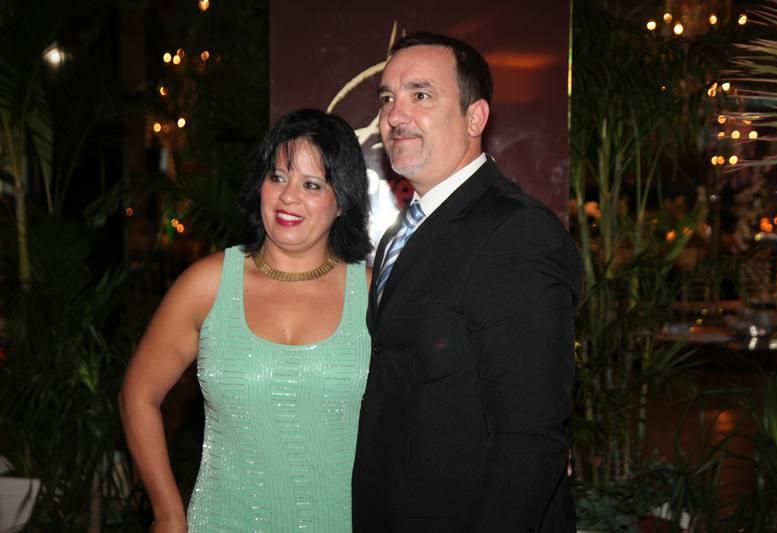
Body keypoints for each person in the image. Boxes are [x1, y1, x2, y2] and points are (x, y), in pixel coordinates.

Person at [351, 32, 583, 532]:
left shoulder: (517, 232)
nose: (394, 115)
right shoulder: (400, 234)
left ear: (475, 118)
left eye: (420, 94)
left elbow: (529, 435)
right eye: (387, 98)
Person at [119, 108, 372, 532]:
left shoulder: (373, 295)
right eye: (278, 177)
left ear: (342, 200)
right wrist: (167, 513)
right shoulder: (207, 285)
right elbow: (138, 395)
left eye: (311, 184)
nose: (288, 197)